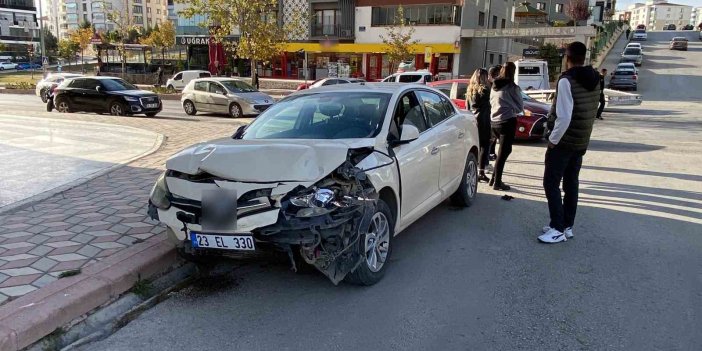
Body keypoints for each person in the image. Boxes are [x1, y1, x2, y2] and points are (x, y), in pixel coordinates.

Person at [538, 41, 600, 244]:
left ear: (567, 58)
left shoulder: (566, 81)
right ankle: (566, 225)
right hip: (581, 141)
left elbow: (564, 116)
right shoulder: (595, 79)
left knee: (551, 183)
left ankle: (557, 228)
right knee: (571, 183)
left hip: (564, 142)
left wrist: (553, 141)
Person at [489, 62, 523, 191]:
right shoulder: (513, 87)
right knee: (504, 153)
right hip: (507, 121)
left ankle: (493, 178)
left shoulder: (494, 85)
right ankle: (497, 182)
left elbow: (491, 102)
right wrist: (510, 106)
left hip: (494, 122)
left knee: (502, 151)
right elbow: (520, 107)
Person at [467, 68, 492, 183]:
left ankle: (473, 170)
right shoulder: (486, 90)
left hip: (473, 120)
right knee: (484, 146)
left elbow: (468, 107)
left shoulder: (470, 90)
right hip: (483, 120)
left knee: (475, 145)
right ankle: (481, 171)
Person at [487, 65, 501, 161]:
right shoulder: (489, 86)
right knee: (490, 137)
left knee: (493, 137)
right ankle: (488, 154)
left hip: (493, 114)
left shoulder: (495, 84)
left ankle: (491, 152)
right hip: (489, 114)